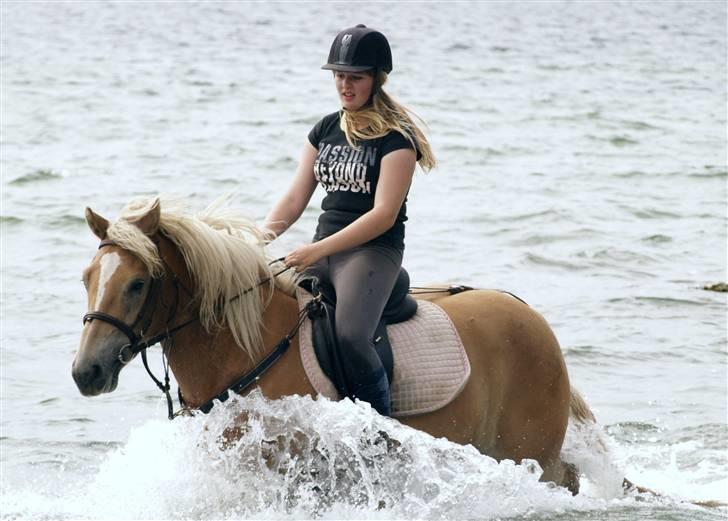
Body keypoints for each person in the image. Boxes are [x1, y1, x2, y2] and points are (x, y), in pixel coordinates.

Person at [263, 24, 436, 416]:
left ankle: (378, 433)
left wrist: (316, 250)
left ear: (376, 79)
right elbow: (294, 199)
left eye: (354, 77)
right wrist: (255, 239)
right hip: (322, 247)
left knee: (352, 335)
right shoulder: (324, 130)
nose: (345, 85)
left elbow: (382, 215)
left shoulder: (397, 140)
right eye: (339, 75)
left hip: (372, 252)